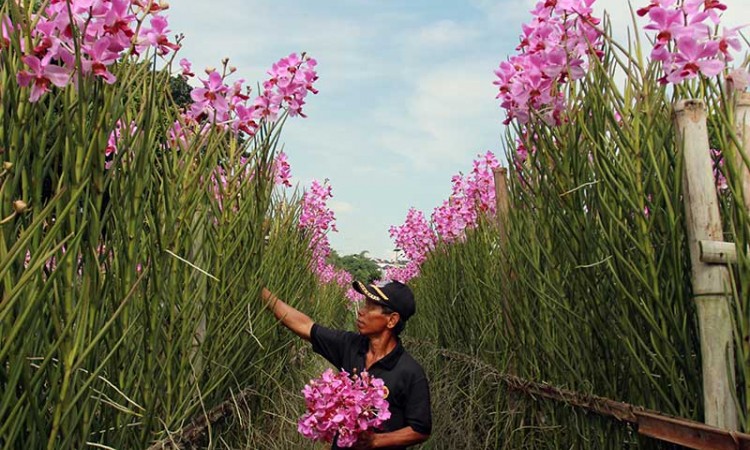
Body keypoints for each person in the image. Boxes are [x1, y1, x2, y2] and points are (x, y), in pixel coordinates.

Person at [260, 280, 432, 449]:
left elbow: (420, 429)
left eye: (370, 308)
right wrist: (260, 291)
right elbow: (305, 326)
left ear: (392, 320)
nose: (361, 312)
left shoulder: (410, 372)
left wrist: (376, 441)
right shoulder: (350, 345)